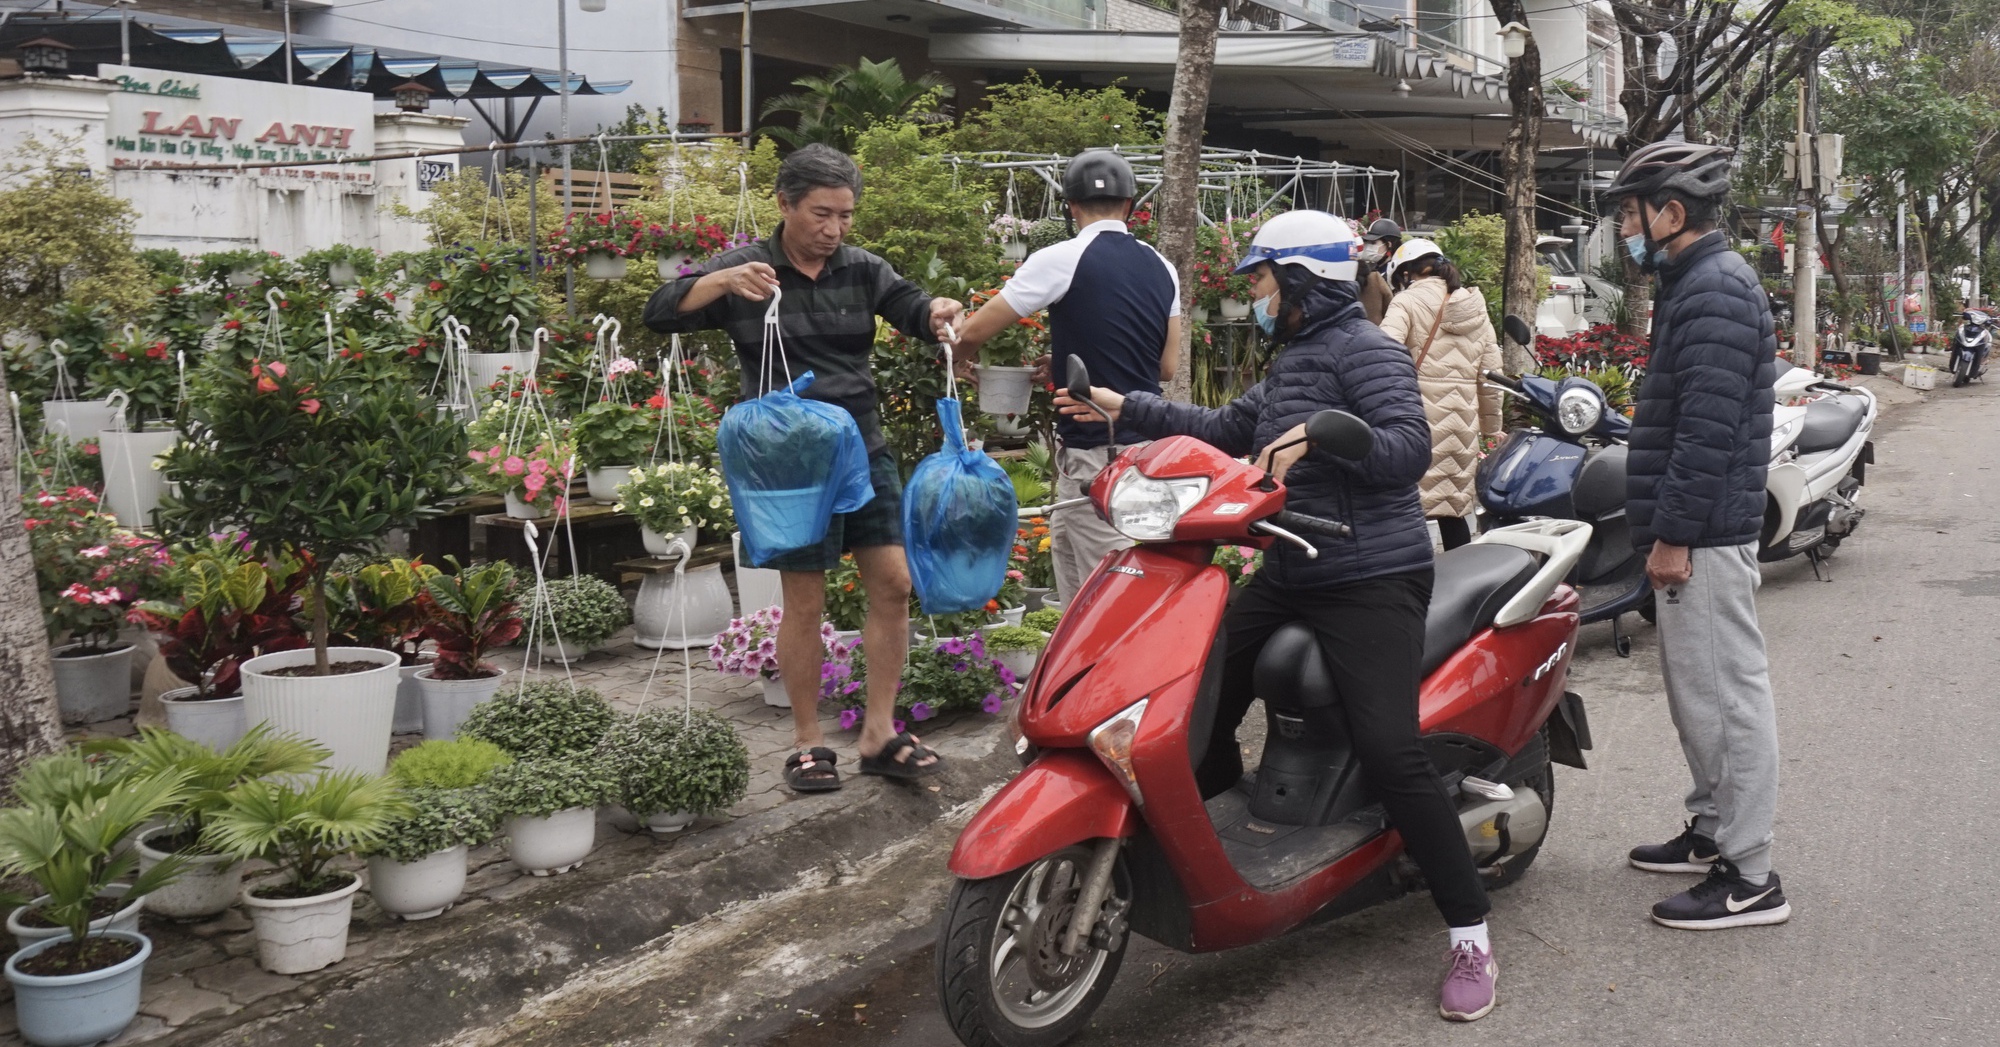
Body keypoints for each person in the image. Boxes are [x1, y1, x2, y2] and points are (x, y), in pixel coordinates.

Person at [1057, 210, 1500, 1022]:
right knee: (1194, 698)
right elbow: (1227, 430)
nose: (1254, 294)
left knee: (1392, 750)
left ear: (1301, 279)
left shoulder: (1369, 349)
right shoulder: (1295, 356)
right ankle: (1234, 837)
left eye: (1261, 278)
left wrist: (1323, 440)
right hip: (1292, 563)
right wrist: (1125, 408)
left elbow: (1409, 450)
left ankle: (1469, 932)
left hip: (1372, 576)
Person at [642, 144, 962, 793]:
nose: (835, 229)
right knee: (805, 600)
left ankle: (879, 732)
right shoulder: (746, 270)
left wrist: (938, 311)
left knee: (895, 583)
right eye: (822, 213)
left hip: (862, 447)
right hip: (789, 464)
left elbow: (912, 307)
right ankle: (808, 742)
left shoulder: (861, 268)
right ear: (785, 204)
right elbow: (657, 311)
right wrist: (721, 282)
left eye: (845, 215)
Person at [1605, 140, 1789, 930]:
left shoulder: (1713, 290)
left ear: (1670, 213)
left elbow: (1705, 434)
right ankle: (1714, 828)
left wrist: (1673, 535)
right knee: (1699, 694)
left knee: (1725, 697)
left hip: (1705, 533)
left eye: (1628, 214)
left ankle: (1750, 876)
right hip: (1700, 527)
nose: (1622, 231)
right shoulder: (1695, 283)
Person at [951, 149, 1180, 602]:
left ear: (1071, 207)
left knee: (1106, 602)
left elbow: (976, 329)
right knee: (1093, 596)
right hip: (1149, 449)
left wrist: (959, 359)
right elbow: (1166, 367)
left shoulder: (1062, 257)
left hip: (1097, 453)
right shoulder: (1162, 266)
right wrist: (1064, 364)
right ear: (1131, 206)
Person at [1378, 239, 1504, 550]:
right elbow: (1491, 374)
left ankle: (1412, 585)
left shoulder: (1405, 303)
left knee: (1406, 507)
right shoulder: (1474, 306)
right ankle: (1462, 587)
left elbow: (1380, 356)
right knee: (1451, 510)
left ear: (1406, 274)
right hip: (1460, 425)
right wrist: (1490, 426)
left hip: (1414, 420)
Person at [1358, 217, 1403, 325]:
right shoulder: (1373, 269)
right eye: (1367, 242)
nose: (1368, 246)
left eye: (1373, 243)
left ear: (1389, 245)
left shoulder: (1398, 272)